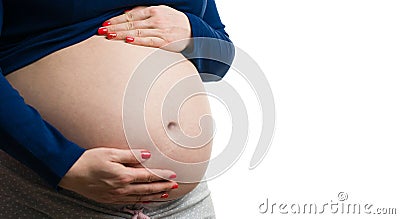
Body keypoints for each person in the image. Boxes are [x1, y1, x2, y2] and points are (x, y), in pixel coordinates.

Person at [0, 0, 233, 218]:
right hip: (53, 192)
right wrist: (63, 164)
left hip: (183, 205)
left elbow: (221, 57)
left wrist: (191, 32)